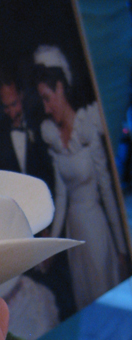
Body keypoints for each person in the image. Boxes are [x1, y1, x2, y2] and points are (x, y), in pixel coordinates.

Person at [34, 45, 128, 310]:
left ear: (61, 88)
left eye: (47, 97)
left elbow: (108, 191)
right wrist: (55, 240)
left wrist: (122, 247)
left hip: (96, 226)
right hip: (75, 232)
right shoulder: (52, 136)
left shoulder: (88, 129)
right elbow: (61, 195)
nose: (46, 106)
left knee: (104, 293)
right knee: (85, 296)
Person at [0, 66, 55, 193]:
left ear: (21, 95)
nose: (12, 113)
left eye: (14, 104)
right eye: (6, 107)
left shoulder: (38, 124)